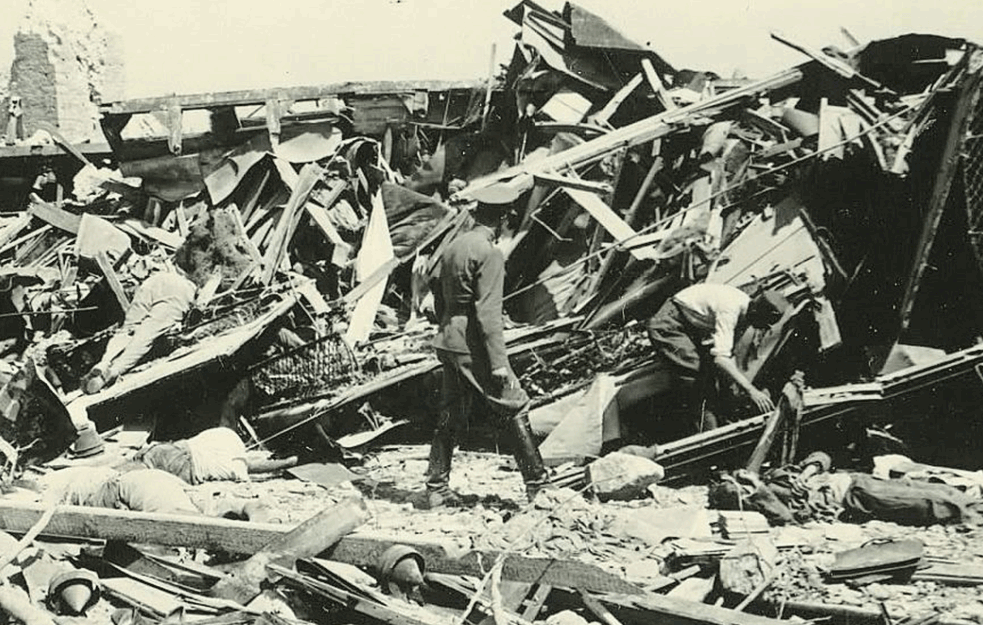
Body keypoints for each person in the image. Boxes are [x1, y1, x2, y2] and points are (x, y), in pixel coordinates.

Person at [425, 202, 551, 508]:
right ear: (506, 217)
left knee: (451, 411)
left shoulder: (454, 245)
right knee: (514, 404)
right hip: (473, 344)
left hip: (448, 339)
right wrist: (498, 364)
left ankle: (436, 487)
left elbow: (434, 287)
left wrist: (448, 321)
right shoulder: (490, 253)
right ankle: (538, 488)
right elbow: (489, 314)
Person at [645, 282, 788, 433]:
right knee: (696, 376)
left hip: (688, 324)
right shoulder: (730, 310)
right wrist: (751, 390)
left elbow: (728, 356)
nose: (763, 329)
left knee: (718, 374)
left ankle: (724, 420)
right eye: (763, 324)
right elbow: (720, 359)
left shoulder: (747, 310)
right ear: (756, 314)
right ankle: (707, 433)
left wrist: (735, 391)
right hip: (667, 323)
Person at [82, 268, 198, 394]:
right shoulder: (200, 281)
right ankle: (113, 372)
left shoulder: (173, 271)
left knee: (128, 329)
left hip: (155, 281)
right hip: (181, 291)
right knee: (144, 336)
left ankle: (105, 361)